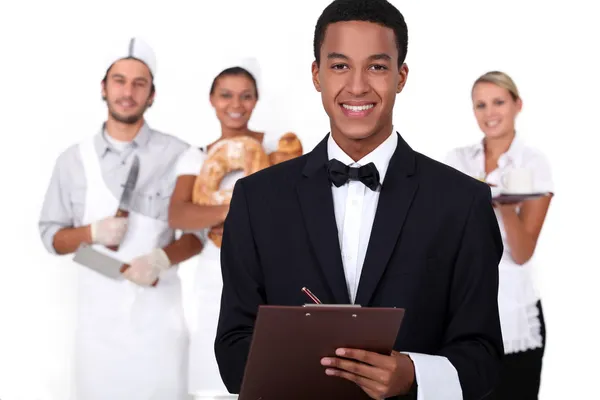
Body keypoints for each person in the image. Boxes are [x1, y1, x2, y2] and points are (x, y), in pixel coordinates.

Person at [214, 1, 505, 399]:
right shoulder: (255, 199)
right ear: (316, 75)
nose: (356, 86)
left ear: (401, 76)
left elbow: (483, 358)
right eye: (339, 66)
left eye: (377, 66)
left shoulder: (463, 202)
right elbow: (232, 350)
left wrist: (413, 373)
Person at [38, 37, 201, 400]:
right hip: (98, 336)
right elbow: (53, 238)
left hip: (161, 326)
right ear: (104, 87)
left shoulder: (180, 155)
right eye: (119, 80)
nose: (128, 91)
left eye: (139, 83)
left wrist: (160, 259)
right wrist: (92, 233)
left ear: (152, 94)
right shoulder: (72, 160)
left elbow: (198, 236)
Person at [168, 57, 301, 399]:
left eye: (245, 96)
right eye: (226, 95)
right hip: (214, 279)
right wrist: (243, 206)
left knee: (274, 375)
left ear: (256, 100)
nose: (236, 105)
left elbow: (294, 212)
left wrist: (213, 212)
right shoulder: (196, 156)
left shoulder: (280, 145)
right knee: (214, 380)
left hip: (275, 274)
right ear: (212, 99)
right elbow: (179, 215)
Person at [444, 71, 553, 400]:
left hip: (512, 311)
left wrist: (504, 206)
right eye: (480, 105)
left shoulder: (533, 163)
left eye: (498, 102)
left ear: (517, 104)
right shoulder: (458, 160)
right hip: (463, 307)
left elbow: (522, 253)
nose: (489, 113)